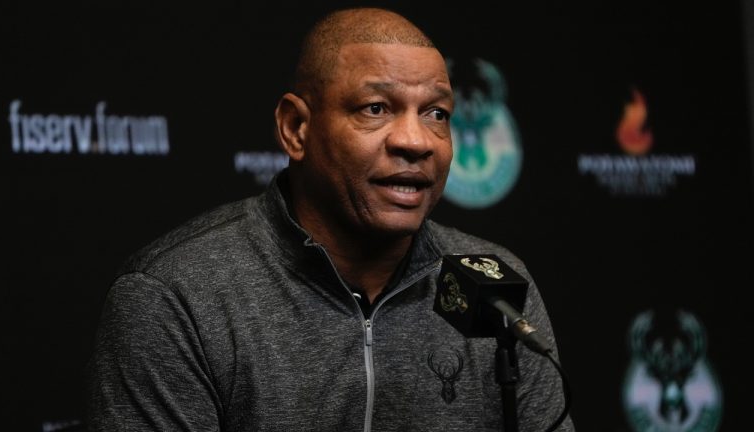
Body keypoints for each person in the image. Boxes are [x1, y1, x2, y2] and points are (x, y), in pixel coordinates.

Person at [87, 7, 575, 432]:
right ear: (296, 128)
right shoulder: (176, 296)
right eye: (376, 108)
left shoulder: (498, 285)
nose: (417, 140)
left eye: (437, 114)